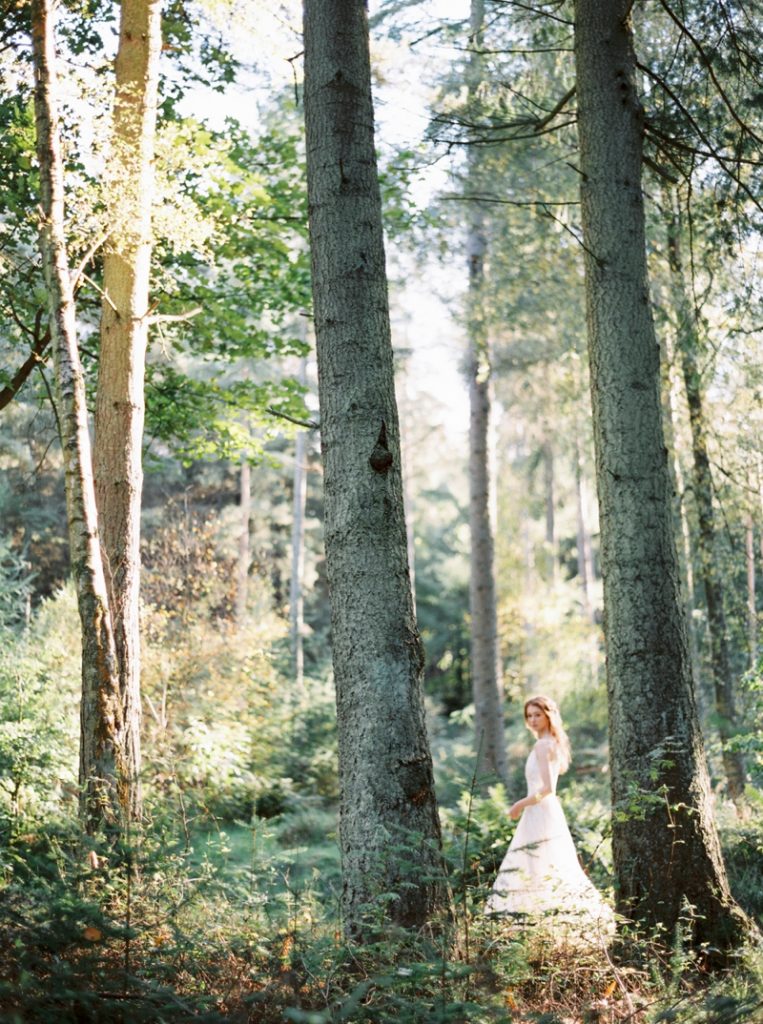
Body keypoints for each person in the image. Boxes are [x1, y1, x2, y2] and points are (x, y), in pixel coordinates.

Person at [485, 694, 613, 935]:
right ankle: (540, 925)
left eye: (537, 714)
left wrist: (518, 805)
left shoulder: (543, 745)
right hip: (543, 811)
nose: (533, 720)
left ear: (548, 715)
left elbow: (547, 789)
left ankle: (542, 925)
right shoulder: (550, 742)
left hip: (540, 810)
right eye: (529, 715)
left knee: (539, 863)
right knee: (538, 863)